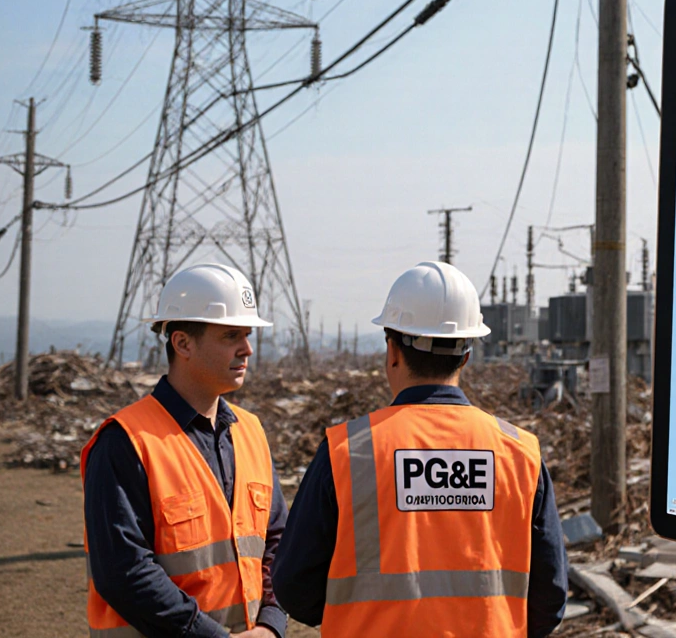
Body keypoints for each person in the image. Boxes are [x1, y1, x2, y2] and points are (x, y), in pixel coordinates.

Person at [273, 261, 568, 637]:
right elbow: (549, 600)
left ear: (392, 351)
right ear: (466, 355)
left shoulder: (347, 452)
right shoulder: (520, 453)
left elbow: (294, 589)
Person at [81, 263, 288, 637]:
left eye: (248, 334)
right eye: (231, 336)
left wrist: (271, 625)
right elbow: (123, 572)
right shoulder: (125, 441)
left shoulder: (251, 432)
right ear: (182, 343)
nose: (248, 349)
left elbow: (276, 544)